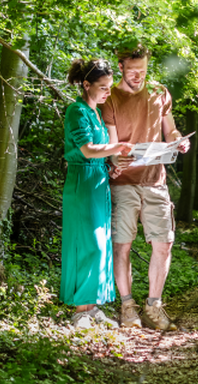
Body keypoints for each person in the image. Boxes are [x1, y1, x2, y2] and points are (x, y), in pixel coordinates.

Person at [102, 45, 190, 331]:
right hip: (123, 181)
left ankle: (154, 305)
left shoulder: (159, 92)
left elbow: (170, 130)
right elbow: (112, 146)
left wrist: (178, 141)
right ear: (121, 67)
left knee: (164, 244)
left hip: (156, 181)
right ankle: (128, 307)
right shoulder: (111, 98)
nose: (138, 76)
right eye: (133, 71)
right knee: (122, 245)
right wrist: (116, 157)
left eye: (143, 71)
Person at [60, 58, 132, 327]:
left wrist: (110, 167)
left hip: (99, 181)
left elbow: (99, 154)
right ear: (86, 84)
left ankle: (92, 307)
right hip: (81, 182)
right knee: (86, 242)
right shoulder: (76, 111)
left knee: (101, 244)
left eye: (109, 87)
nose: (107, 93)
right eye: (102, 87)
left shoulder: (97, 114)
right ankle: (80, 309)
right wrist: (118, 148)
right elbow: (88, 150)